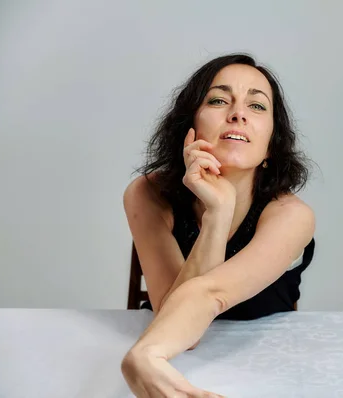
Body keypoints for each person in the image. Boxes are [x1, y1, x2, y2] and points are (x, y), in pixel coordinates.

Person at [120, 53, 316, 398]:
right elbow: (180, 326)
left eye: (257, 106)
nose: (238, 113)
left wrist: (143, 355)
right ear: (189, 129)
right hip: (176, 358)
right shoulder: (147, 193)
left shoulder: (291, 215)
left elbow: (210, 295)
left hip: (264, 366)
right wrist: (217, 214)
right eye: (218, 100)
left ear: (271, 145)